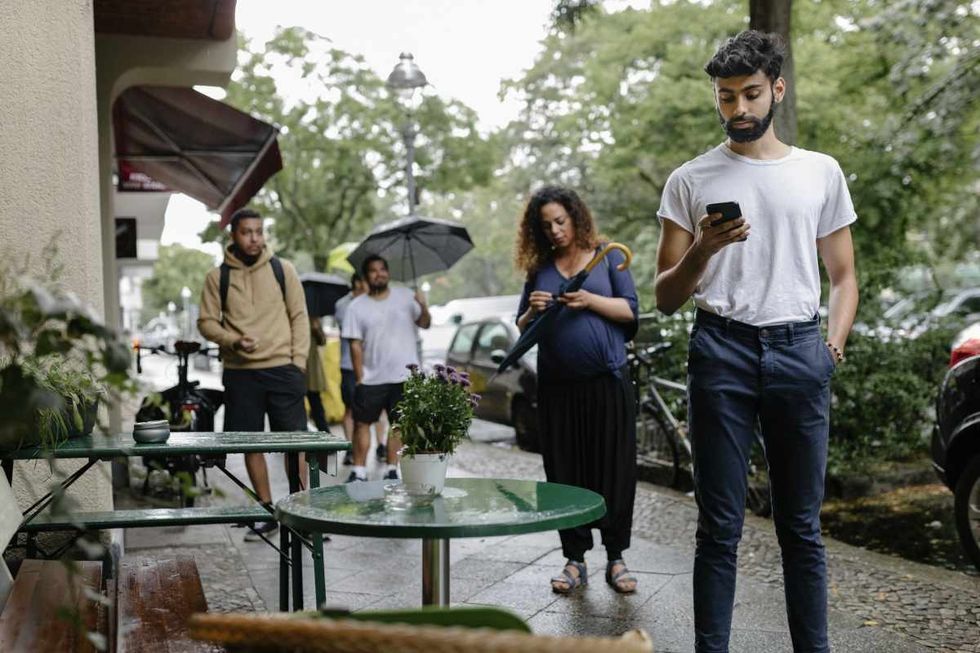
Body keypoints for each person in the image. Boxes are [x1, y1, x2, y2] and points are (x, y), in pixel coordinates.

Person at [654, 30, 858, 653]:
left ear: (777, 89)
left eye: (749, 95)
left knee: (801, 528)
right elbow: (664, 294)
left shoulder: (818, 172)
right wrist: (704, 248)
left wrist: (832, 346)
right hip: (721, 352)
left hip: (801, 351)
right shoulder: (689, 180)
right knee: (719, 527)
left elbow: (845, 276)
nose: (738, 110)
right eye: (725, 97)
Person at [515, 185, 639, 595]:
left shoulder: (608, 256)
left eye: (560, 221)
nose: (554, 230)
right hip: (558, 390)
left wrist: (589, 300)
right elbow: (521, 329)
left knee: (613, 470)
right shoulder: (540, 269)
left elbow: (630, 310)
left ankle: (616, 557)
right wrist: (532, 310)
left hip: (608, 382)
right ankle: (574, 559)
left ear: (575, 217)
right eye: (545, 224)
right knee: (565, 474)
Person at [198, 207, 311, 542]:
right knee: (250, 443)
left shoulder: (283, 270)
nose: (255, 239)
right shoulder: (218, 276)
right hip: (240, 372)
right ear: (234, 235)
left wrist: (298, 363)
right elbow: (206, 322)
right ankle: (265, 511)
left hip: (283, 369)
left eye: (259, 232)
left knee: (295, 444)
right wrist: (232, 340)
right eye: (247, 232)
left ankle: (300, 511)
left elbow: (299, 316)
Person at [342, 255, 431, 482]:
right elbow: (355, 344)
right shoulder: (356, 307)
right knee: (362, 424)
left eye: (383, 269)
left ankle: (392, 469)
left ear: (388, 272)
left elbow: (425, 323)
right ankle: (359, 470)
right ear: (366, 276)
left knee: (399, 425)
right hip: (371, 378)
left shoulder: (405, 296)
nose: (379, 273)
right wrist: (360, 377)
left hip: (404, 375)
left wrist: (422, 305)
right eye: (373, 270)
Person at [305, 317, 331, 433]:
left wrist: (316, 329)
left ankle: (324, 432)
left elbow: (323, 341)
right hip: (294, 366)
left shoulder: (313, 319)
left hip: (311, 367)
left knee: (316, 403)